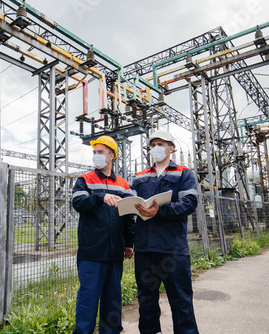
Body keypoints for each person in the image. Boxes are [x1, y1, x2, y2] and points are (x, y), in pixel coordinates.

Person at [130, 129, 200, 334]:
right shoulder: (141, 177)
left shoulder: (184, 173)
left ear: (171, 148)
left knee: (181, 302)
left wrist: (159, 211)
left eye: (160, 144)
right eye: (152, 145)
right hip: (145, 249)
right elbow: (131, 202)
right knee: (146, 302)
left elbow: (189, 202)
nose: (155, 149)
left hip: (173, 249)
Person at [72, 135, 136, 334]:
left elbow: (128, 218)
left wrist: (129, 243)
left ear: (111, 156)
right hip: (92, 252)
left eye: (100, 152)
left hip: (115, 252)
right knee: (88, 299)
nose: (96, 156)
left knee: (112, 299)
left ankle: (112, 331)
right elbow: (78, 203)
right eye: (94, 153)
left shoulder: (124, 185)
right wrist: (100, 197)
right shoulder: (85, 180)